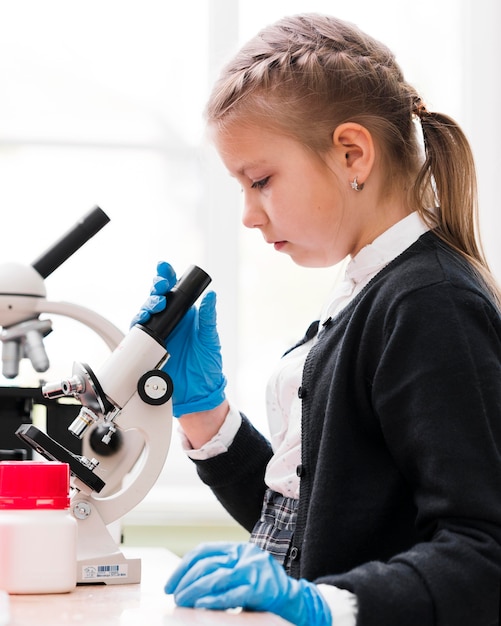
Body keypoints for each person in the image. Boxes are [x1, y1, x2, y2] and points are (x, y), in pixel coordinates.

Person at [133, 13, 501, 626]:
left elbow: (485, 557)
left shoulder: (429, 303)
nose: (249, 215)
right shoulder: (369, 292)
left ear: (352, 153)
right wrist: (205, 414)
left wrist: (323, 603)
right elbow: (318, 521)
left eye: (261, 181)